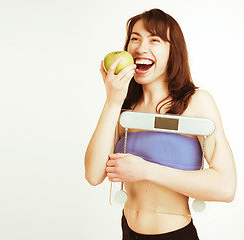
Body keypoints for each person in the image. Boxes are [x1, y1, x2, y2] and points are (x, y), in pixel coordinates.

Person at [84, 8, 237, 240]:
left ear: (173, 51)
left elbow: (226, 187)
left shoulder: (196, 102)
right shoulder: (124, 104)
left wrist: (145, 170)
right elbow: (93, 175)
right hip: (128, 232)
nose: (140, 47)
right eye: (135, 38)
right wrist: (112, 101)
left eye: (154, 40)